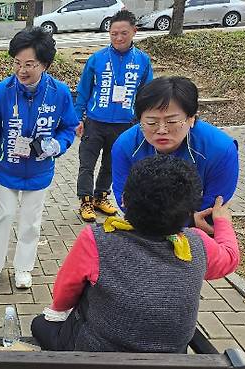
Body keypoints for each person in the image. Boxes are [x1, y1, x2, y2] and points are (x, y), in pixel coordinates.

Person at [30, 155, 240, 352]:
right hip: (171, 357)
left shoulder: (97, 239)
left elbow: (66, 291)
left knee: (40, 324)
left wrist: (59, 310)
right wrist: (222, 221)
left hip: (96, 353)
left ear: (124, 200)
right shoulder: (197, 243)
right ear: (188, 213)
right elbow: (230, 258)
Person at [0, 27, 79, 289]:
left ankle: (23, 268)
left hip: (39, 170)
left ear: (44, 64)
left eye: (29, 64)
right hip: (6, 168)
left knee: (31, 222)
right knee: (4, 216)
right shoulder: (2, 92)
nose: (22, 70)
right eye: (17, 63)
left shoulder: (59, 92)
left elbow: (68, 127)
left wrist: (59, 144)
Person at [112, 76, 239, 234]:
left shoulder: (220, 149)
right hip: (145, 229)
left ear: (191, 118)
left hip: (199, 231)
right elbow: (124, 198)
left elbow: (214, 204)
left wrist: (191, 222)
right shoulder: (125, 146)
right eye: (151, 122)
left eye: (172, 121)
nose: (162, 130)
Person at [74, 10, 154, 222]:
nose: (118, 38)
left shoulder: (143, 61)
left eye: (123, 33)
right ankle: (85, 200)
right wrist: (77, 119)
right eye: (113, 33)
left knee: (112, 163)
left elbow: (147, 94)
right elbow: (83, 91)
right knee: (87, 164)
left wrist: (144, 122)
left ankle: (101, 196)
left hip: (125, 124)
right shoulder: (97, 59)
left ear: (134, 32)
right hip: (95, 122)